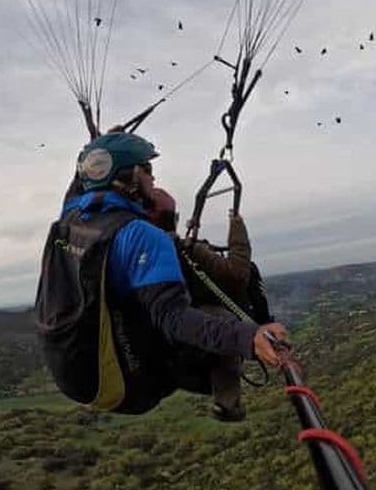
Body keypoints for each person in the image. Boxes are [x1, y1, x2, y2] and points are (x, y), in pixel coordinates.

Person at [34, 129, 287, 421]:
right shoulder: (141, 236)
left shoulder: (71, 216)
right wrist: (248, 337)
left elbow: (81, 181)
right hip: (124, 387)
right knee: (220, 318)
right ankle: (227, 402)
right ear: (130, 176)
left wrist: (103, 146)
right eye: (147, 169)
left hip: (69, 372)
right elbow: (174, 318)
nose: (153, 179)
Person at [147, 187, 255, 420]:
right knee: (223, 322)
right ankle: (227, 401)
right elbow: (237, 275)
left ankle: (227, 401)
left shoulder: (131, 254)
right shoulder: (184, 251)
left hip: (155, 354)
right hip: (187, 347)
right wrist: (237, 226)